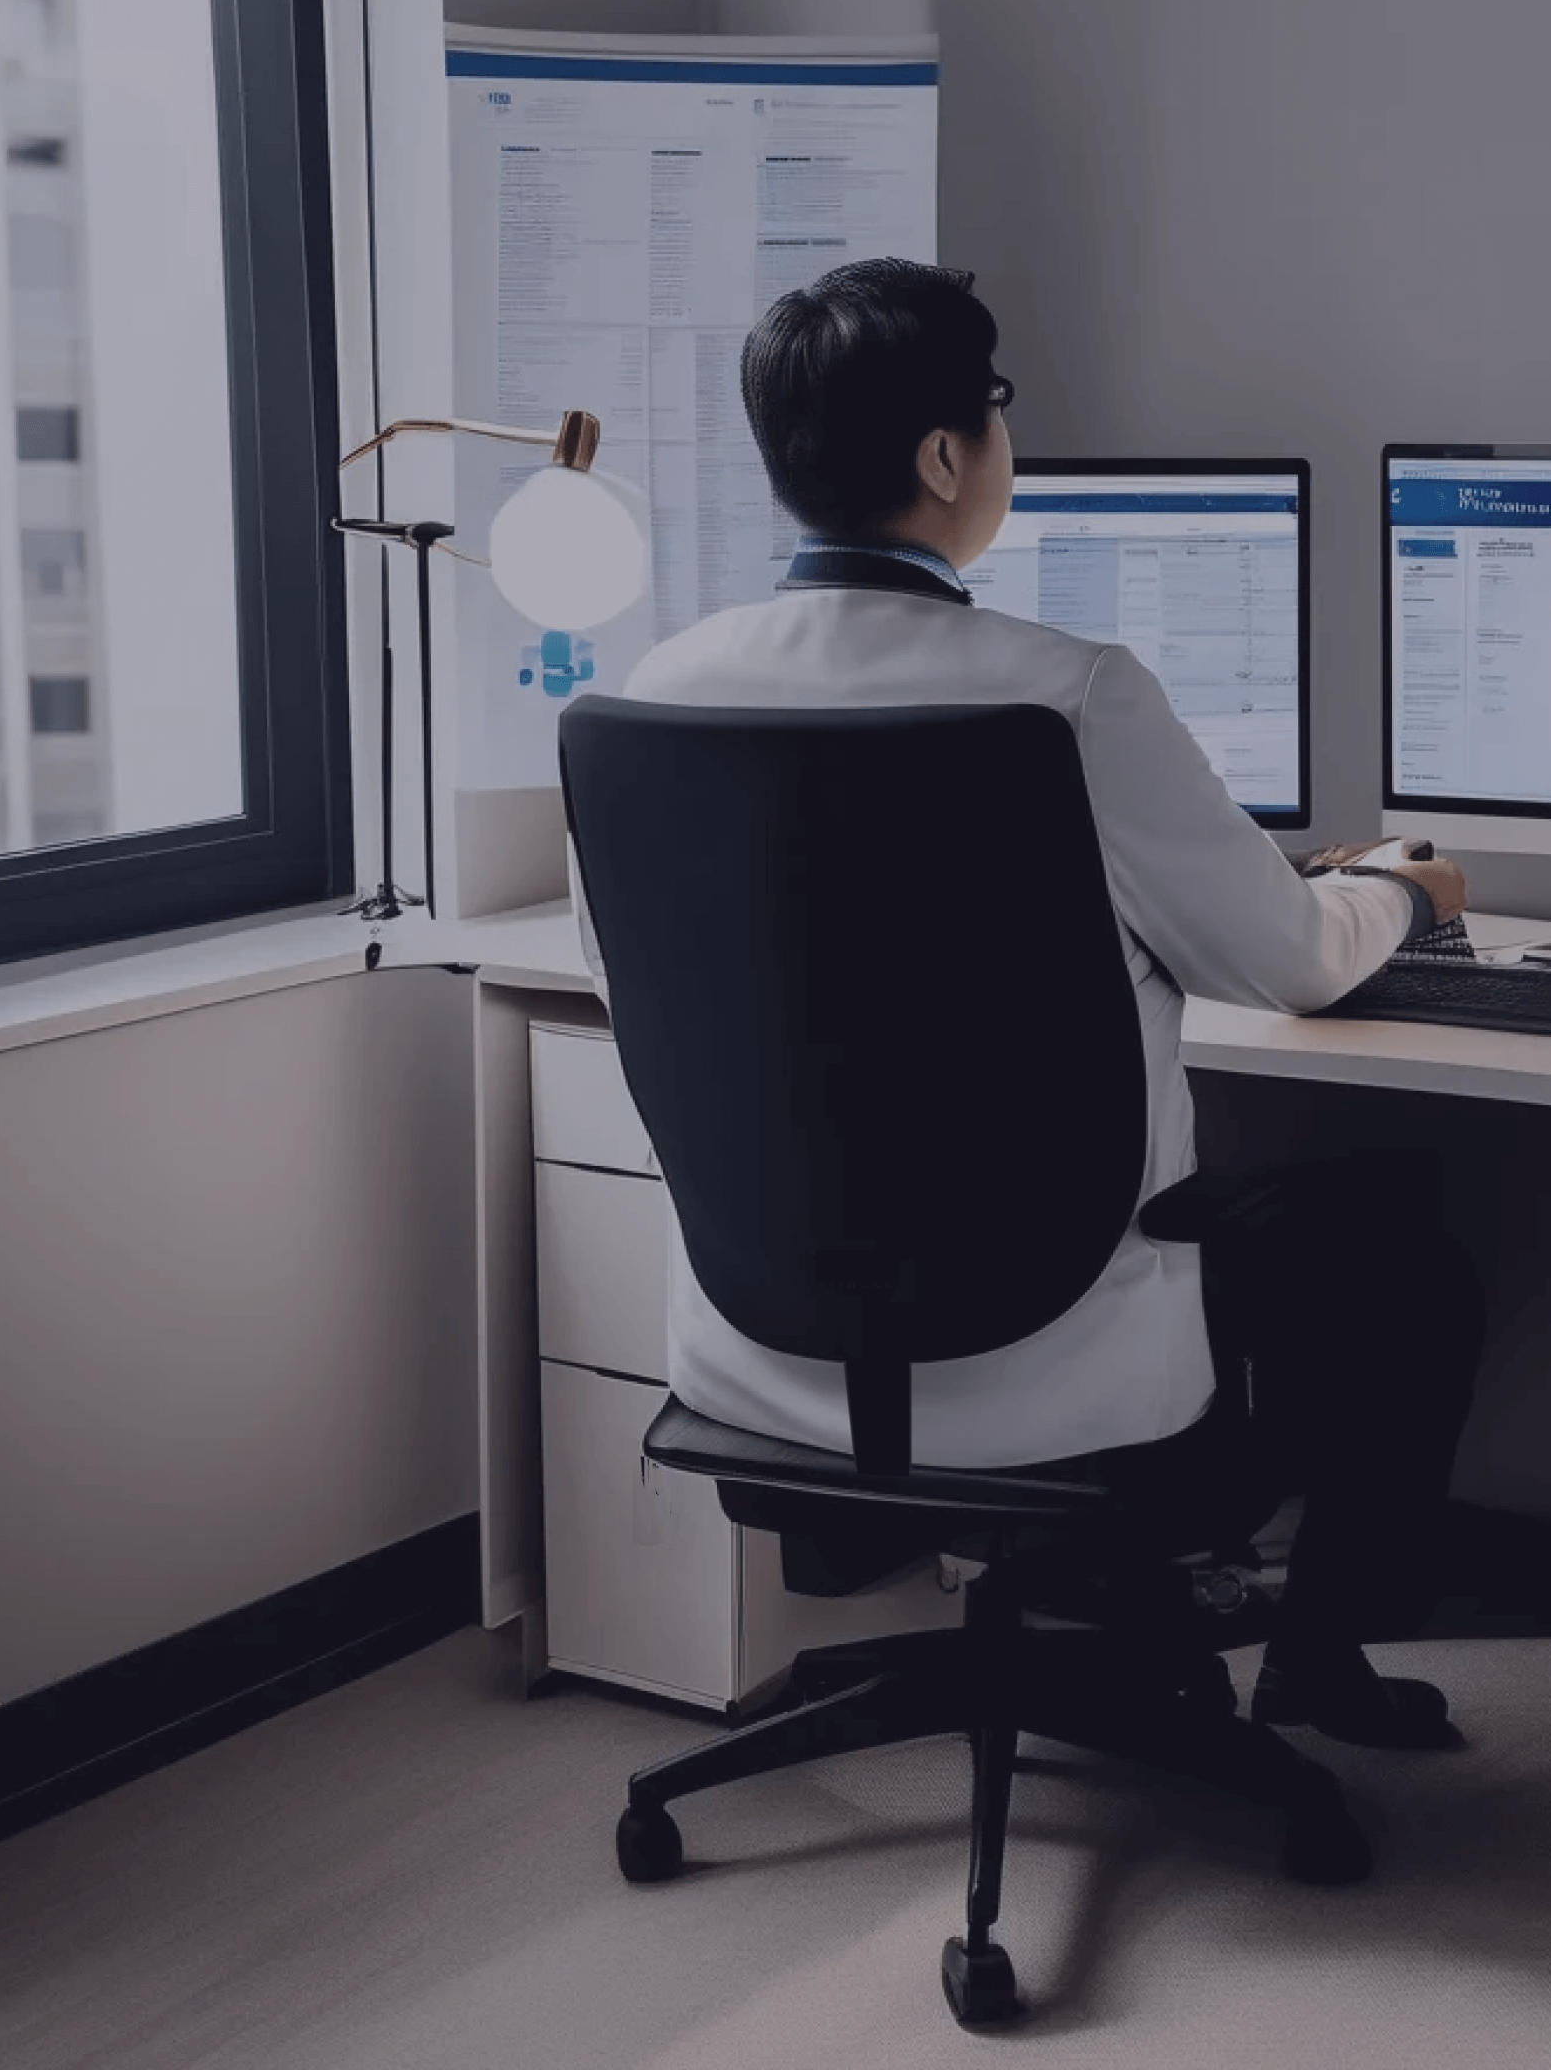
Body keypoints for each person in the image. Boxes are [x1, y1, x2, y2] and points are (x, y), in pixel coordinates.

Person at [593, 257, 1485, 1749]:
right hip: (1052, 1369)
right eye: (995, 415)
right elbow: (1292, 959)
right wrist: (1404, 889)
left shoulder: (648, 701)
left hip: (763, 1350)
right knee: (1411, 1242)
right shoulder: (1068, 697)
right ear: (947, 458)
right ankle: (1313, 1663)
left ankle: (1122, 1611)